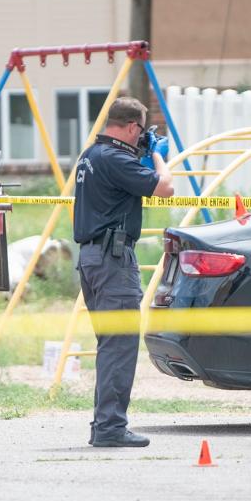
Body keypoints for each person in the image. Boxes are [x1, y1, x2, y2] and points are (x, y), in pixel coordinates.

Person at [73, 97, 174, 447]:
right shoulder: (116, 159)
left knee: (110, 345)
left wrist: (138, 155)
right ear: (132, 128)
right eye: (141, 132)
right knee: (120, 346)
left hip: (91, 259)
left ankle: (104, 425)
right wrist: (158, 155)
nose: (142, 138)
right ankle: (111, 428)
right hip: (113, 260)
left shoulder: (90, 156)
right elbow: (166, 188)